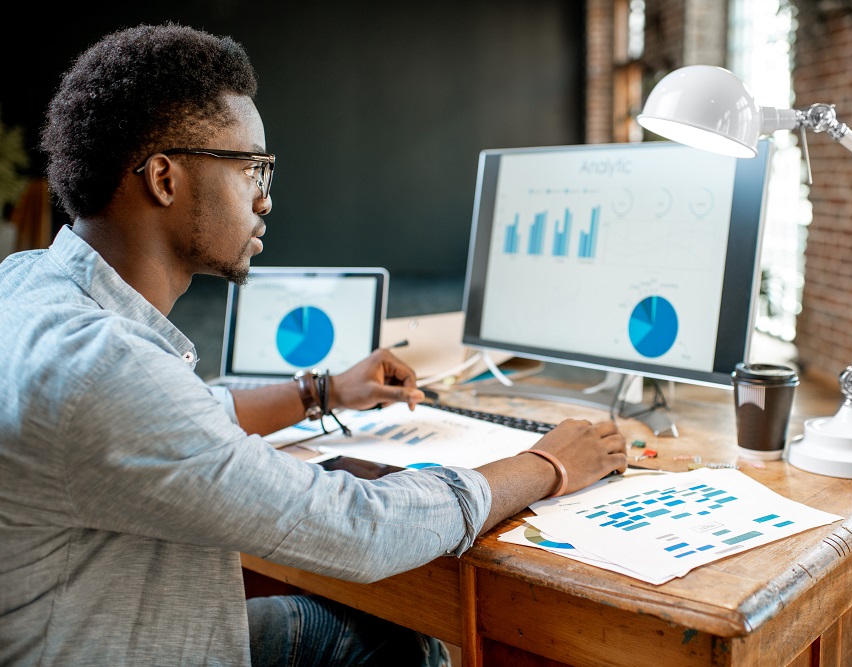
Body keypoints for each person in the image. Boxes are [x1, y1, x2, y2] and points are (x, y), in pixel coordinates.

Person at [0, 22, 627, 666]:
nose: (265, 199)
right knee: (416, 647)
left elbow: (171, 424)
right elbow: (356, 530)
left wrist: (325, 391)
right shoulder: (103, 367)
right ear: (164, 178)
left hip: (107, 616)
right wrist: (548, 465)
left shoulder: (28, 285)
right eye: (252, 169)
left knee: (370, 631)